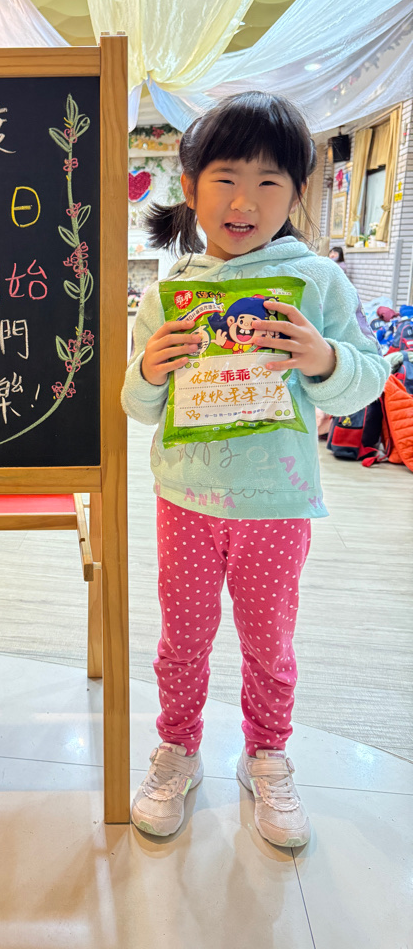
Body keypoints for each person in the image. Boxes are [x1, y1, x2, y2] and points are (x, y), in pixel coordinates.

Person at [122, 92, 389, 848]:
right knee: (183, 637)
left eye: (270, 181)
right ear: (191, 186)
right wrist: (150, 367)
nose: (245, 201)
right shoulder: (170, 293)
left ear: (297, 192)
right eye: (226, 178)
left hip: (276, 500)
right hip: (186, 496)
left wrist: (325, 358)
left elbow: (368, 377)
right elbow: (135, 404)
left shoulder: (319, 283)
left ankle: (267, 754)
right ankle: (177, 748)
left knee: (269, 640)